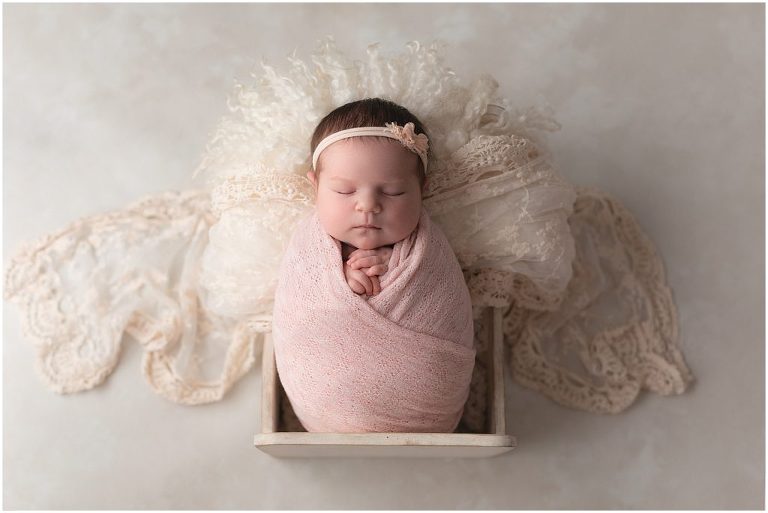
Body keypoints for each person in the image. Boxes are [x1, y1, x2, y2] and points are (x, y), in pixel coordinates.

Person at [306, 98, 432, 297]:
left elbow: (439, 288)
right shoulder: (306, 250)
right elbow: (300, 292)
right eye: (344, 190)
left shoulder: (430, 252)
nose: (368, 206)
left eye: (393, 192)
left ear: (422, 191)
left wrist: (396, 262)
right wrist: (336, 279)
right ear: (316, 188)